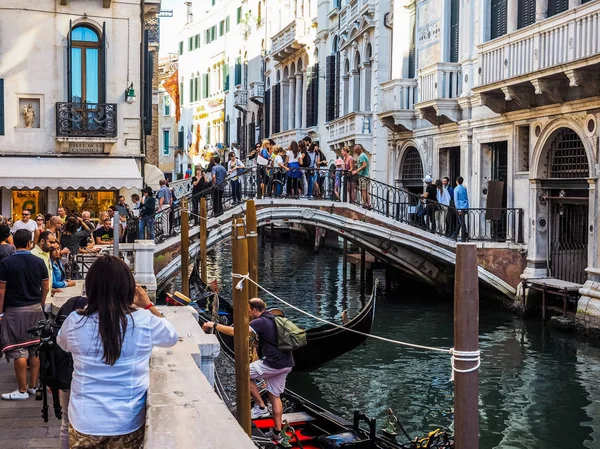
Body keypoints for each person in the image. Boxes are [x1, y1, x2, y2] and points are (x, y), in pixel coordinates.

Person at [56, 255, 178, 447]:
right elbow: (171, 337)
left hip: (85, 419)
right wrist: (148, 306)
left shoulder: (75, 321)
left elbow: (62, 343)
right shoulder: (144, 321)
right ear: (128, 287)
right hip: (126, 421)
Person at [202, 298, 293, 442]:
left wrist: (213, 324)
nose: (249, 314)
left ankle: (261, 407)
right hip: (286, 364)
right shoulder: (275, 318)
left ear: (255, 310)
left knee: (242, 373)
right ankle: (277, 431)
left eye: (250, 311)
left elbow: (236, 332)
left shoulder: (260, 322)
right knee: (275, 396)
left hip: (273, 363)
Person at [0, 229, 49, 400]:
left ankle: (21, 390)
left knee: (18, 350)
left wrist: (0, 312)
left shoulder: (6, 263)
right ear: (29, 243)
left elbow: (1, 291)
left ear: (14, 243)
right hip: (35, 309)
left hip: (14, 311)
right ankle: (33, 386)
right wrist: (41, 303)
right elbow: (46, 287)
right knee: (35, 348)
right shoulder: (38, 261)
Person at [31, 230, 57, 302]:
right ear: (42, 241)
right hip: (38, 300)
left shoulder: (46, 252)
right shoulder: (33, 255)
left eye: (54, 242)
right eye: (51, 242)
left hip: (47, 298)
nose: (53, 245)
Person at [352, 144, 370, 209]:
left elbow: (364, 165)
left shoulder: (361, 156)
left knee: (363, 190)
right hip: (366, 175)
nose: (356, 153)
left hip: (363, 175)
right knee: (366, 190)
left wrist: (356, 171)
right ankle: (369, 204)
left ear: (358, 150)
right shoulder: (364, 155)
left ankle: (364, 204)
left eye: (356, 151)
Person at [453, 176, 469, 242]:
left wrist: (458, 209)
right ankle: (455, 234)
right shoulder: (464, 188)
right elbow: (466, 198)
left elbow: (456, 200)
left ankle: (464, 235)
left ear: (457, 181)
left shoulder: (456, 189)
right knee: (460, 222)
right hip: (465, 207)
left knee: (461, 222)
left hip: (460, 207)